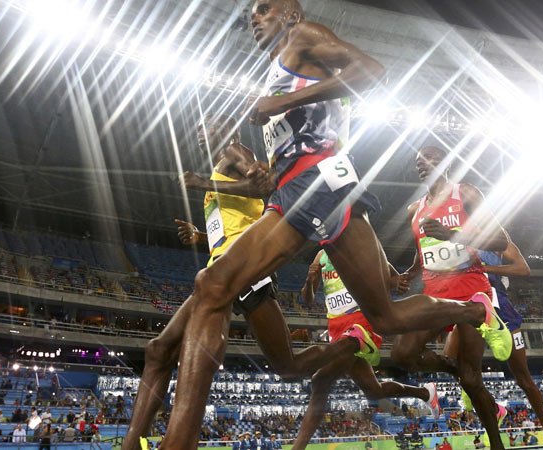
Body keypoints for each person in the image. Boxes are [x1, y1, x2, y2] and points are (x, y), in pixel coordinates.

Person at [159, 1, 504, 447]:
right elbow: (292, 142)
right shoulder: (276, 67)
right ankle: (478, 311)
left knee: (214, 286)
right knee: (388, 316)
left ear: (292, 14)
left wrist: (283, 100)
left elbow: (372, 71)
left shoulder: (303, 38)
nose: (254, 15)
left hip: (318, 184)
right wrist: (267, 166)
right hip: (303, 191)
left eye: (266, 8)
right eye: (253, 11)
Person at [124, 117, 369, 450]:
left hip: (245, 269)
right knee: (158, 350)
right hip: (220, 268)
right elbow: (235, 220)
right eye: (198, 128)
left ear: (229, 130)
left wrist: (203, 184)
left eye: (207, 126)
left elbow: (265, 189)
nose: (200, 132)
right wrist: (200, 236)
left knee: (288, 366)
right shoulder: (221, 164)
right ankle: (131, 444)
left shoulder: (235, 152)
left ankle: (353, 342)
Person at [393, 145, 512, 449]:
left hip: (472, 294)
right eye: (418, 161)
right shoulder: (414, 210)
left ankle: (496, 443)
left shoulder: (466, 193)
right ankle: (452, 367)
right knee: (403, 354)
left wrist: (454, 235)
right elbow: (425, 254)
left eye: (430, 157)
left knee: (472, 380)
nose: (422, 164)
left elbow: (500, 240)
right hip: (436, 295)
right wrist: (408, 273)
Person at [292, 249, 435, 450]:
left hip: (361, 320)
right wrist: (310, 279)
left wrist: (397, 283)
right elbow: (307, 300)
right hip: (336, 327)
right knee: (374, 390)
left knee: (320, 380)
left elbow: (394, 279)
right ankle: (424, 393)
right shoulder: (321, 256)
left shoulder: (358, 243)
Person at [477, 240, 543, 446]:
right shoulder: (457, 238)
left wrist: (484, 268)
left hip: (500, 307)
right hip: (469, 305)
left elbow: (523, 269)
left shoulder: (498, 240)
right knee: (459, 369)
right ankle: (495, 410)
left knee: (523, 378)